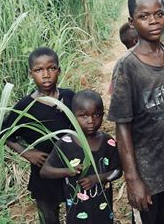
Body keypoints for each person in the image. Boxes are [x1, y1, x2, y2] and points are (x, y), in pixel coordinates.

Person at [108, 0, 164, 224]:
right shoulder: (127, 67)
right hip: (146, 170)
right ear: (132, 22)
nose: (153, 21)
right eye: (144, 16)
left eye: (159, 14)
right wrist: (133, 179)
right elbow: (122, 127)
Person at [2, 47, 75, 224]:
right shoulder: (25, 107)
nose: (46, 74)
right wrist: (27, 153)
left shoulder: (70, 97)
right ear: (30, 74)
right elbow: (5, 134)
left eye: (51, 68)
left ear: (59, 70)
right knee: (48, 215)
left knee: (77, 210)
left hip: (73, 169)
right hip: (44, 171)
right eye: (39, 70)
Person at [40, 89, 121, 224]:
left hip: (104, 212)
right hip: (76, 214)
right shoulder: (65, 143)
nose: (91, 121)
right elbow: (45, 171)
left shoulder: (108, 142)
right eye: (84, 116)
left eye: (96, 115)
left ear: (103, 114)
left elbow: (117, 171)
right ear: (73, 116)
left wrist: (98, 178)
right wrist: (68, 171)